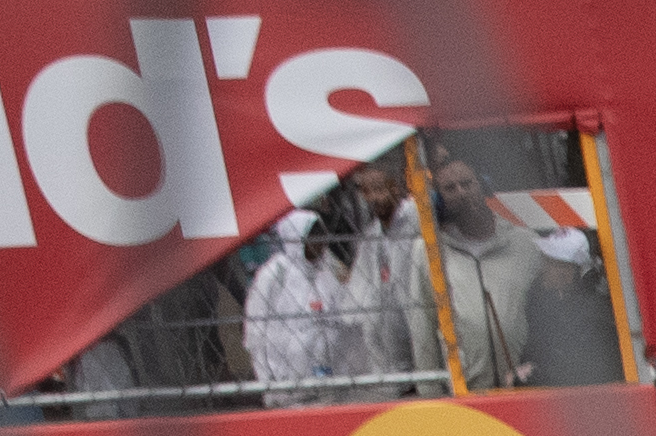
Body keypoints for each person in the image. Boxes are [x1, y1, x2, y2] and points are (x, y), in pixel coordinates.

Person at [378, 153, 603, 391]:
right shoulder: (428, 253)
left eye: (467, 184)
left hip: (526, 387)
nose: (462, 193)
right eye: (450, 188)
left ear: (482, 185)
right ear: (438, 199)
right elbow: (422, 329)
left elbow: (557, 307)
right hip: (466, 394)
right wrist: (431, 396)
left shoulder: (525, 244)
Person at [243, 170, 408, 402]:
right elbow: (256, 334)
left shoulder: (327, 270)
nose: (320, 243)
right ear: (296, 238)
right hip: (290, 387)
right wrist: (269, 387)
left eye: (321, 235)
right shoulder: (274, 274)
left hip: (333, 383)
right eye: (313, 236)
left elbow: (346, 313)